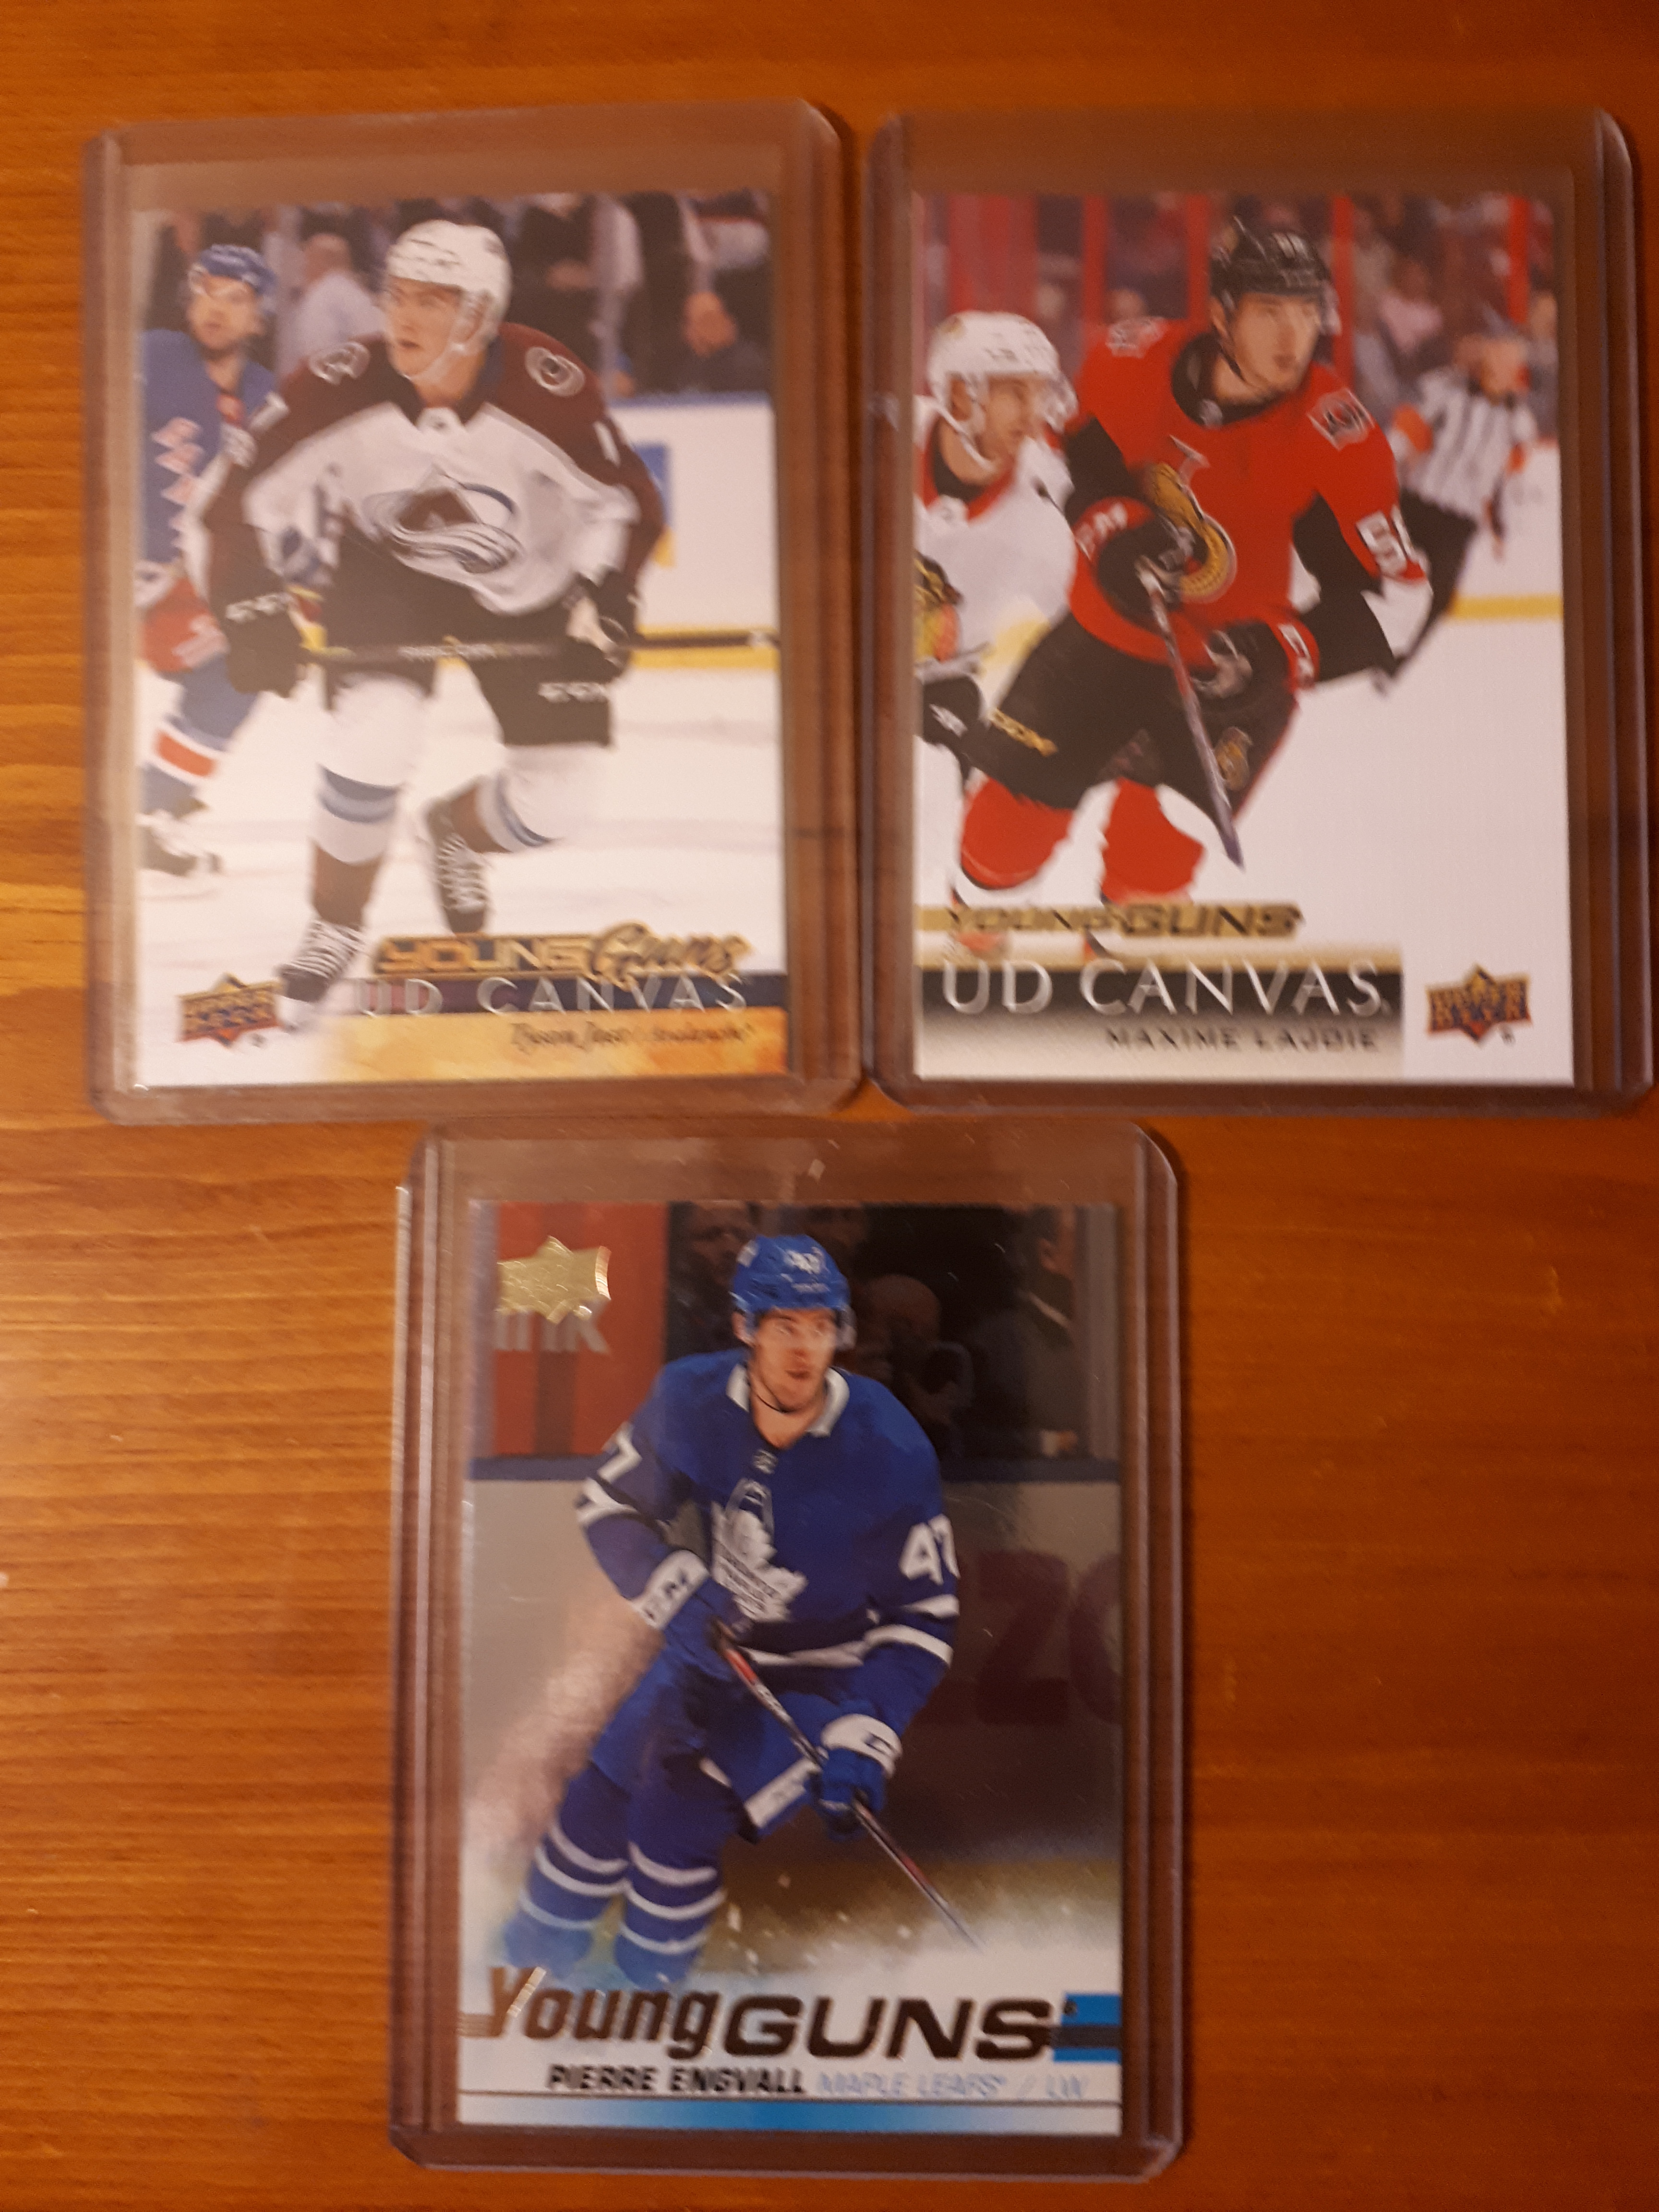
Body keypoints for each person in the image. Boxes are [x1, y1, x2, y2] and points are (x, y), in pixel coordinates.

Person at [201, 219, 664, 1026]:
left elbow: (625, 503)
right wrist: (250, 605)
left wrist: (609, 595)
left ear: (478, 316)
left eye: (431, 301)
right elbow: (233, 504)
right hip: (389, 574)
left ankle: (453, 832)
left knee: (560, 803)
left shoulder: (545, 388)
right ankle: (334, 924)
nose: (402, 317)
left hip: (531, 580)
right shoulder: (338, 383)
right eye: (397, 295)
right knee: (374, 735)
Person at [500, 1235, 957, 1990]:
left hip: (818, 1679)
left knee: (674, 1816)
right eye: (785, 1326)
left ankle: (648, 1987)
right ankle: (526, 1958)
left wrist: (864, 1733)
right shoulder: (691, 1399)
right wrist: (675, 1588)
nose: (805, 1349)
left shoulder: (888, 1446)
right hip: (708, 1650)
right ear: (745, 1326)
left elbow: (923, 1617)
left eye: (821, 1326)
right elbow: (609, 1505)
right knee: (600, 1798)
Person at [931, 222, 1432, 905]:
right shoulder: (1130, 359)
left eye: (1306, 312)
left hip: (1228, 679)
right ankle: (969, 950)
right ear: (1222, 315)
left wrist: (1277, 653)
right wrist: (1109, 527)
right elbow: (1056, 451)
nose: (1293, 336)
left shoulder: (1337, 440)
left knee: (1149, 877)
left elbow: (1400, 602)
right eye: (1269, 312)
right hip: (1102, 640)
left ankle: (1117, 963)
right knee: (994, 851)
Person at [136, 244, 278, 880]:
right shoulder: (146, 357)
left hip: (184, 585)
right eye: (205, 292)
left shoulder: (269, 397)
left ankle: (147, 807)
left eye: (235, 298)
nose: (215, 308)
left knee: (241, 671)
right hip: (109, 573)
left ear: (259, 318)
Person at [914, 312, 1076, 794]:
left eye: (1039, 392)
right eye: (1014, 393)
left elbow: (1084, 630)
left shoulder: (1050, 504)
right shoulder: (875, 440)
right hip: (841, 676)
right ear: (960, 396)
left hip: (941, 685)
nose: (1033, 413)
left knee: (936, 781)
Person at [1386, 331, 1538, 672]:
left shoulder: (1520, 423)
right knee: (1373, 571)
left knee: (1441, 598)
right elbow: (1404, 434)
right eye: (1497, 355)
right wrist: (1379, 478)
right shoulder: (1445, 391)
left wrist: (1503, 528)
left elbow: (1509, 483)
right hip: (1416, 505)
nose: (1502, 365)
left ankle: (1392, 667)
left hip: (1459, 523)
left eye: (1511, 359)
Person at [288, 229, 381, 363]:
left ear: (317, 261)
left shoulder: (321, 295)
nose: (304, 269)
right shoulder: (359, 293)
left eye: (307, 261)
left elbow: (316, 354)